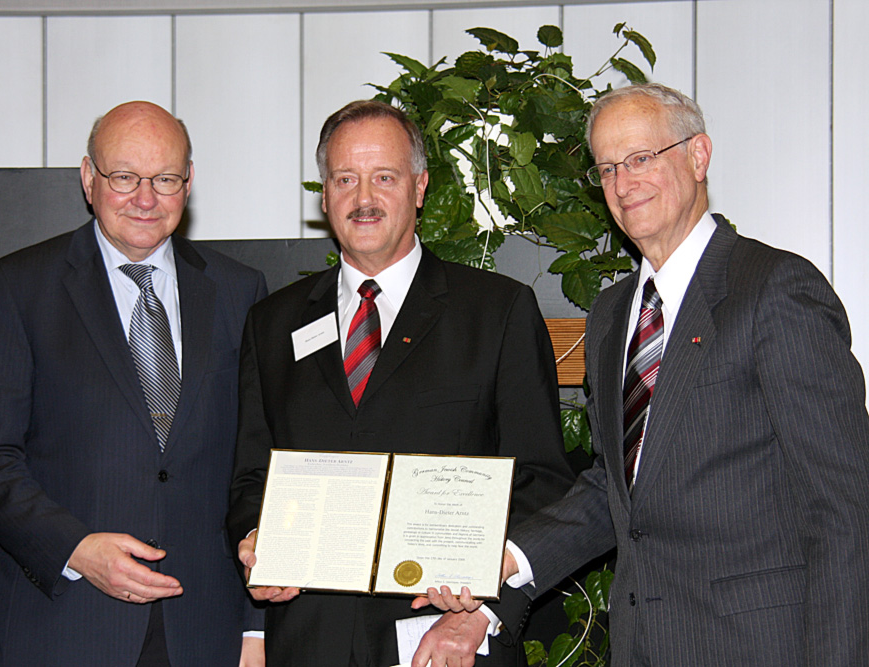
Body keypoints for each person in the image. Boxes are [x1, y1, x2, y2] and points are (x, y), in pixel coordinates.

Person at [417, 83, 869, 666]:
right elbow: (616, 489)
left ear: (698, 155)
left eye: (640, 158)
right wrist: (503, 559)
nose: (623, 184)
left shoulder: (773, 289)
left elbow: (845, 510)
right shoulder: (611, 314)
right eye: (607, 169)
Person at [226, 99, 575, 667]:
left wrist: (484, 611)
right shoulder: (273, 323)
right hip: (307, 641)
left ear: (419, 187)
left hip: (447, 639)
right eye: (345, 179)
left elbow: (543, 482)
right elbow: (250, 478)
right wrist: (252, 539)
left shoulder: (496, 312)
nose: (363, 198)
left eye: (384, 177)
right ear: (324, 195)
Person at [0, 101, 267, 666]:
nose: (145, 198)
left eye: (164, 179)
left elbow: (257, 466)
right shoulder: (18, 287)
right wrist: (75, 548)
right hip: (63, 625)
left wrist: (255, 629)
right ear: (88, 178)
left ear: (188, 181)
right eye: (124, 177)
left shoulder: (239, 291)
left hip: (206, 630)